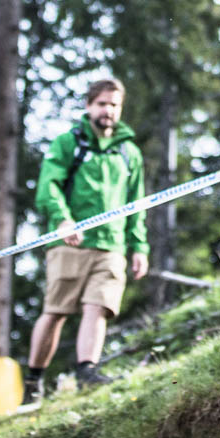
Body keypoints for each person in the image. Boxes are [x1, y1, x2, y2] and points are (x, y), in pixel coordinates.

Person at [25, 77, 148, 403]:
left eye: (114, 105)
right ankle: (34, 381)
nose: (108, 111)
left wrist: (140, 247)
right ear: (89, 106)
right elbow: (48, 186)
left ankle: (86, 372)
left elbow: (137, 203)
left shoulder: (129, 152)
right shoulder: (68, 143)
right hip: (70, 243)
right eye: (102, 104)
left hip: (112, 246)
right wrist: (63, 220)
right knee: (56, 312)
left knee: (99, 307)